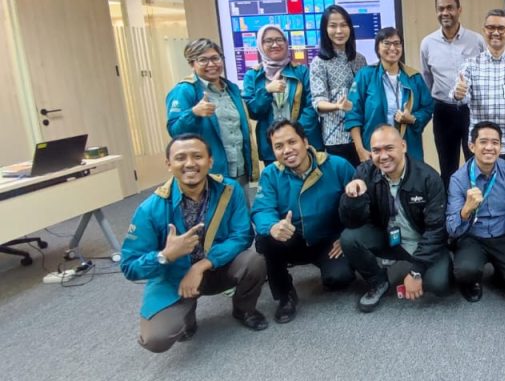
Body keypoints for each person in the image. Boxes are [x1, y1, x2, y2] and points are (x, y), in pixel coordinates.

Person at [120, 134, 267, 353]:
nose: (189, 163)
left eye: (197, 156)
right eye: (180, 158)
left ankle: (243, 309)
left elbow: (243, 235)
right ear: (168, 164)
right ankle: (186, 315)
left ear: (210, 161)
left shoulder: (229, 190)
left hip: (217, 267)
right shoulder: (150, 208)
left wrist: (202, 265)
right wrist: (165, 256)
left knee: (255, 261)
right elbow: (129, 266)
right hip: (175, 278)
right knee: (156, 339)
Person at [251, 120, 356, 324]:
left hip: (328, 240)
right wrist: (273, 226)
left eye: (292, 142)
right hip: (292, 239)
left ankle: (335, 267)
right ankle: (285, 295)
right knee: (266, 239)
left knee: (340, 279)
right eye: (279, 146)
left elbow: (359, 204)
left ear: (305, 142)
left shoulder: (337, 165)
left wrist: (347, 236)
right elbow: (262, 209)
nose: (287, 150)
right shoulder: (270, 174)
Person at [339, 125, 451, 312]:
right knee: (349, 238)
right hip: (387, 237)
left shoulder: (428, 178)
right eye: (376, 150)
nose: (383, 156)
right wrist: (353, 198)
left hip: (420, 240)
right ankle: (378, 281)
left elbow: (436, 229)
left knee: (439, 284)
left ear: (403, 146)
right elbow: (351, 222)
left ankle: (425, 265)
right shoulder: (364, 173)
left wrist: (416, 271)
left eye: (389, 148)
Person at [446, 121, 505, 304]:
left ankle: (500, 273)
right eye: (483, 142)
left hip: (503, 237)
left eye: (495, 143)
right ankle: (471, 281)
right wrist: (465, 210)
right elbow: (452, 229)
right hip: (472, 237)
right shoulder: (458, 179)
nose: (489, 147)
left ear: (500, 147)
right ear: (472, 146)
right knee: (465, 270)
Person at [451, 9, 505, 175]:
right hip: (482, 145)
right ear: (484, 30)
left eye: (501, 28)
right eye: (491, 28)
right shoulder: (470, 64)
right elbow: (461, 97)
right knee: (480, 187)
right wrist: (458, 94)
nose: (496, 32)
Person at [166, 38, 258, 182]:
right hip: (210, 172)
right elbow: (174, 131)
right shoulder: (184, 90)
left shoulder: (231, 88)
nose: (211, 64)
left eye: (215, 58)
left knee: (239, 198)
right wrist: (194, 113)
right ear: (192, 64)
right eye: (203, 60)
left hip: (240, 168)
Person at [420, 0, 487, 189]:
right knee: (447, 165)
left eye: (450, 7)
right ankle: (451, 206)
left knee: (476, 162)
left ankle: (478, 203)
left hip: (472, 111)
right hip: (443, 112)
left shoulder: (476, 40)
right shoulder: (427, 43)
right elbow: (427, 78)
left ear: (459, 10)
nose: (445, 12)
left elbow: (485, 73)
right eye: (441, 9)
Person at [346, 27, 434, 162]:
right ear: (377, 48)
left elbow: (428, 107)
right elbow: (353, 113)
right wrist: (360, 149)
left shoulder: (414, 77)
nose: (392, 48)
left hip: (409, 150)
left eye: (397, 43)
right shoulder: (365, 76)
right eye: (387, 43)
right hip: (374, 151)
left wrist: (413, 118)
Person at [243, 24, 322, 165]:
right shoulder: (252, 75)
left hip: (304, 141)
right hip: (272, 148)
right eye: (268, 41)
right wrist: (267, 91)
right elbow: (252, 111)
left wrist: (296, 134)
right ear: (260, 45)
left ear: (286, 43)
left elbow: (312, 105)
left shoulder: (301, 71)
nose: (275, 44)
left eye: (279, 40)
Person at [310, 5, 368, 168]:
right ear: (325, 29)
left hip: (362, 134)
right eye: (333, 26)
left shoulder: (360, 59)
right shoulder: (319, 63)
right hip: (336, 138)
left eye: (343, 25)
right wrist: (337, 106)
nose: (339, 31)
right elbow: (318, 101)